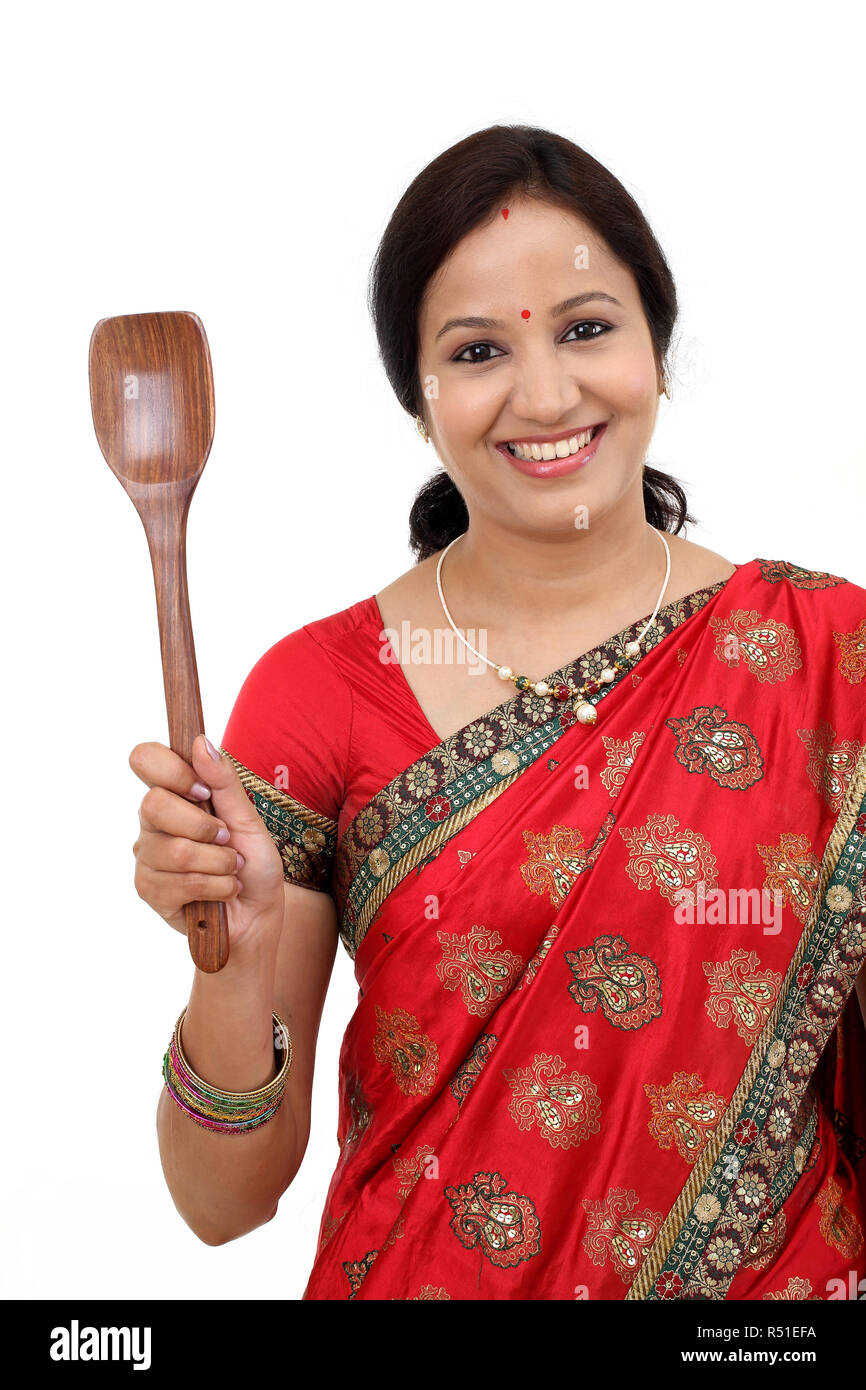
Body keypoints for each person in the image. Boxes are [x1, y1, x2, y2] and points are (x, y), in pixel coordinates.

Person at [130, 124, 866, 1301]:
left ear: (656, 350)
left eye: (586, 328)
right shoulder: (320, 690)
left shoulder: (828, 662)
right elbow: (221, 1204)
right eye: (477, 351)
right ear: (418, 401)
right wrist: (237, 961)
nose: (544, 391)